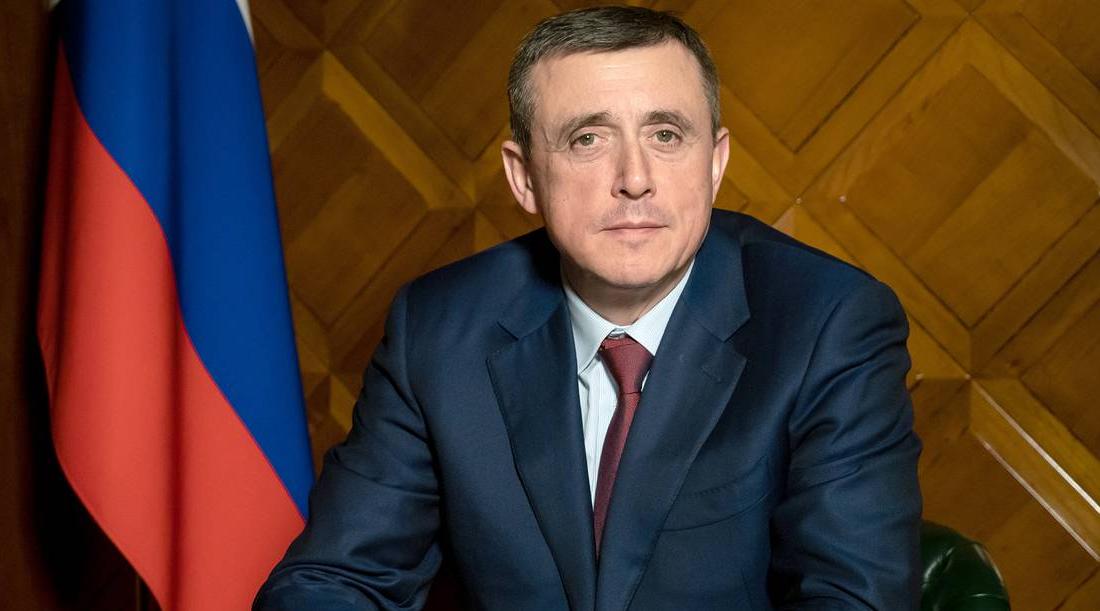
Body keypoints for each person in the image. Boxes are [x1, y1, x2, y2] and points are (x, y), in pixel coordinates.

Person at [255, 6, 921, 610]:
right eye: (587, 139)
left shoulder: (829, 323)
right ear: (523, 177)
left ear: (715, 163)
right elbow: (331, 580)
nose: (634, 179)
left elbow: (856, 600)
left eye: (666, 134)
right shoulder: (438, 329)